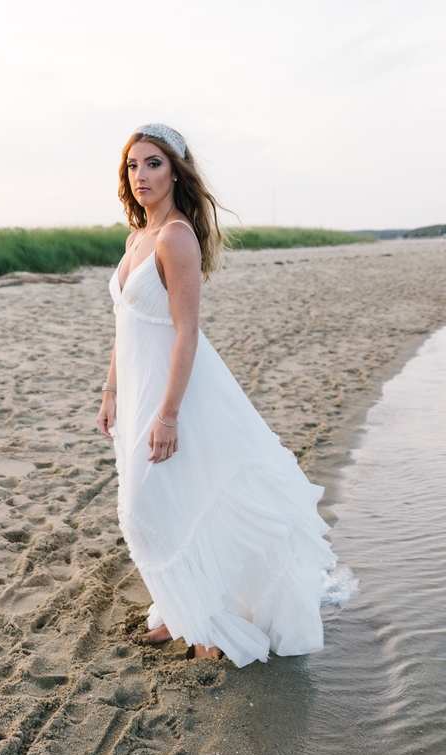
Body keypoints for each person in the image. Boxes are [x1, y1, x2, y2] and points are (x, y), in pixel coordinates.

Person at [96, 123, 337, 666]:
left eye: (153, 163)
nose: (141, 175)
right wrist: (111, 387)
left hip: (176, 392)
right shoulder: (136, 236)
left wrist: (170, 414)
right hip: (135, 389)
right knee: (155, 503)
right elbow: (124, 321)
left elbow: (187, 331)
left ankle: (204, 624)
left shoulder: (174, 236)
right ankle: (180, 611)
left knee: (156, 504)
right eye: (132, 165)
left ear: (176, 171)